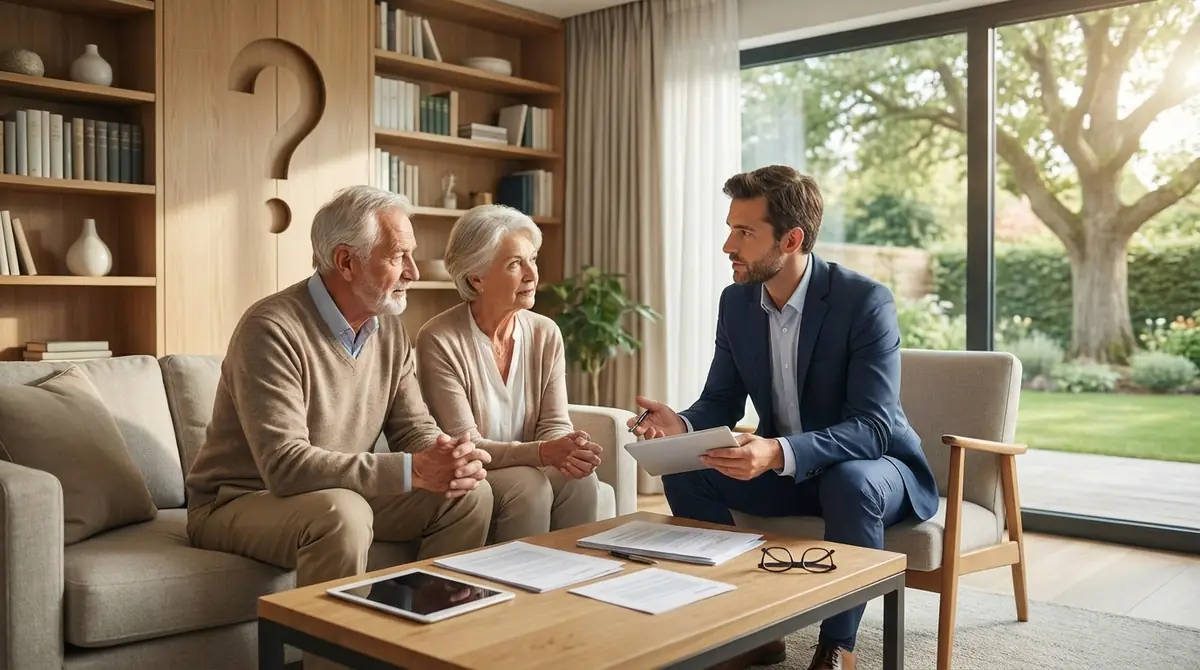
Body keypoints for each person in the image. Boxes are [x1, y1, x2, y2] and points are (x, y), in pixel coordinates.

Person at [627, 165, 939, 670]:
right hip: (788, 469)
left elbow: (873, 426)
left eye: (745, 232)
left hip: (878, 467)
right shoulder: (736, 302)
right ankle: (747, 629)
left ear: (792, 239)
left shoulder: (863, 301)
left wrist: (776, 450)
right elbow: (721, 401)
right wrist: (679, 425)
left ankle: (837, 645)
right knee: (687, 468)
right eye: (731, 228)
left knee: (850, 482)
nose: (729, 245)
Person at [185, 185, 496, 599]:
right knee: (343, 514)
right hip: (240, 500)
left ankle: (426, 646)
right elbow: (285, 466)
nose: (413, 272)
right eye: (398, 255)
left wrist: (447, 457)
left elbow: (413, 428)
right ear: (346, 261)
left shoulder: (388, 331)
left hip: (335, 491)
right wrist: (415, 470)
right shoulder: (271, 329)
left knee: (468, 494)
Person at [416, 204, 604, 542]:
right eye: (515, 264)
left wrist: (569, 446)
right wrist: (543, 453)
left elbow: (554, 424)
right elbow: (467, 444)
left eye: (532, 259)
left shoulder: (545, 333)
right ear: (477, 277)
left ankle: (574, 584)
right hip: (476, 470)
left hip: (528, 463)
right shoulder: (439, 339)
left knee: (581, 479)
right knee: (528, 486)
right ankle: (516, 589)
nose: (532, 274)